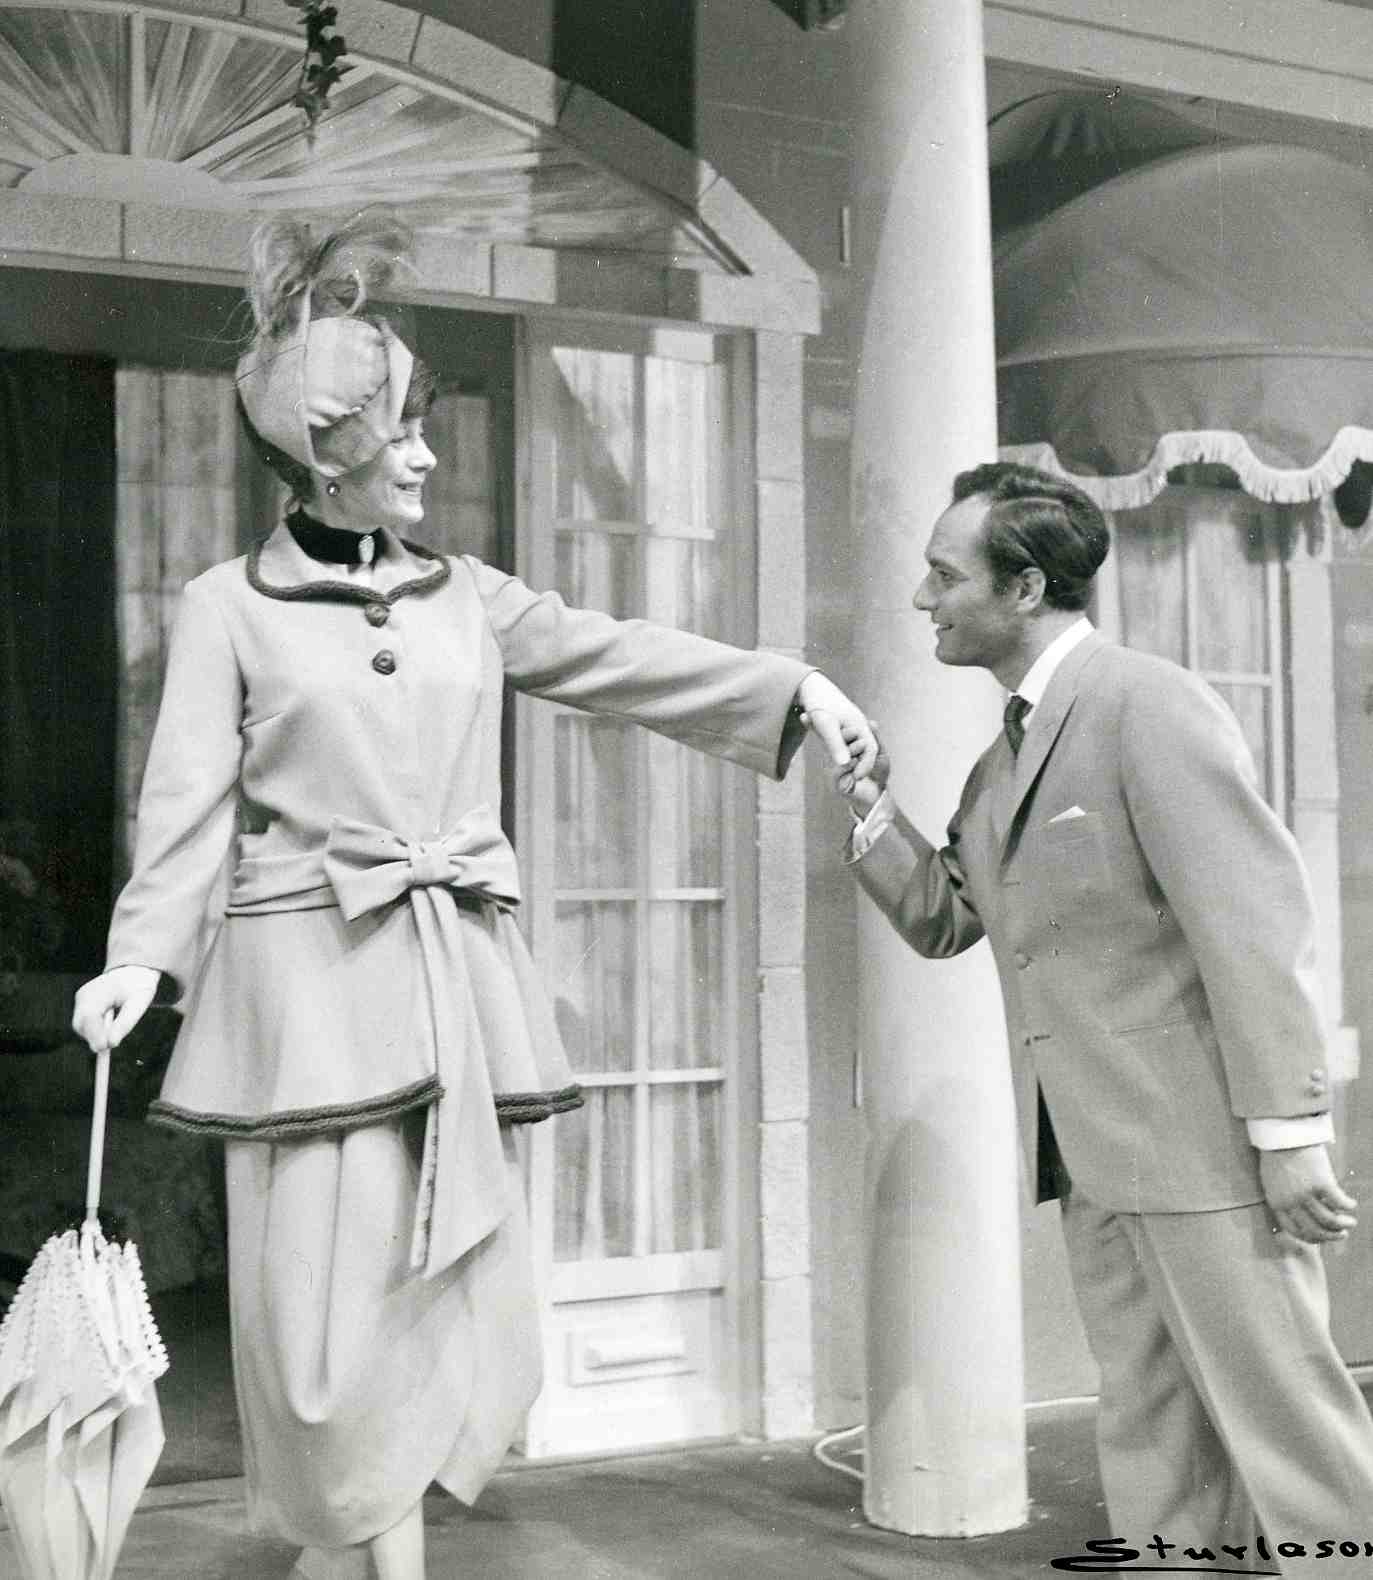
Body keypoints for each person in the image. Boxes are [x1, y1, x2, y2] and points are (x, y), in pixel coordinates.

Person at [70, 213, 878, 1580]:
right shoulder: (227, 607)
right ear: (329, 453)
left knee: (433, 1288)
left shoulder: (467, 597)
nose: (427, 457)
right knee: (318, 1323)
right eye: (402, 436)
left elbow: (618, 657)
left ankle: (383, 1561)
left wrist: (792, 688)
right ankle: (344, 1541)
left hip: (450, 983)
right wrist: (140, 958)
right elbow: (187, 804)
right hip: (304, 1001)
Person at [841, 460, 1373, 1570]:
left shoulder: (1146, 704)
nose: (922, 597)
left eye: (944, 574)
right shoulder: (1002, 761)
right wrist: (868, 803)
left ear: (1024, 586)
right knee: (1151, 1438)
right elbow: (945, 917)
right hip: (1091, 1157)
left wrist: (1287, 1133)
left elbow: (1250, 925)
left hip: (1206, 1152)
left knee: (1293, 1446)